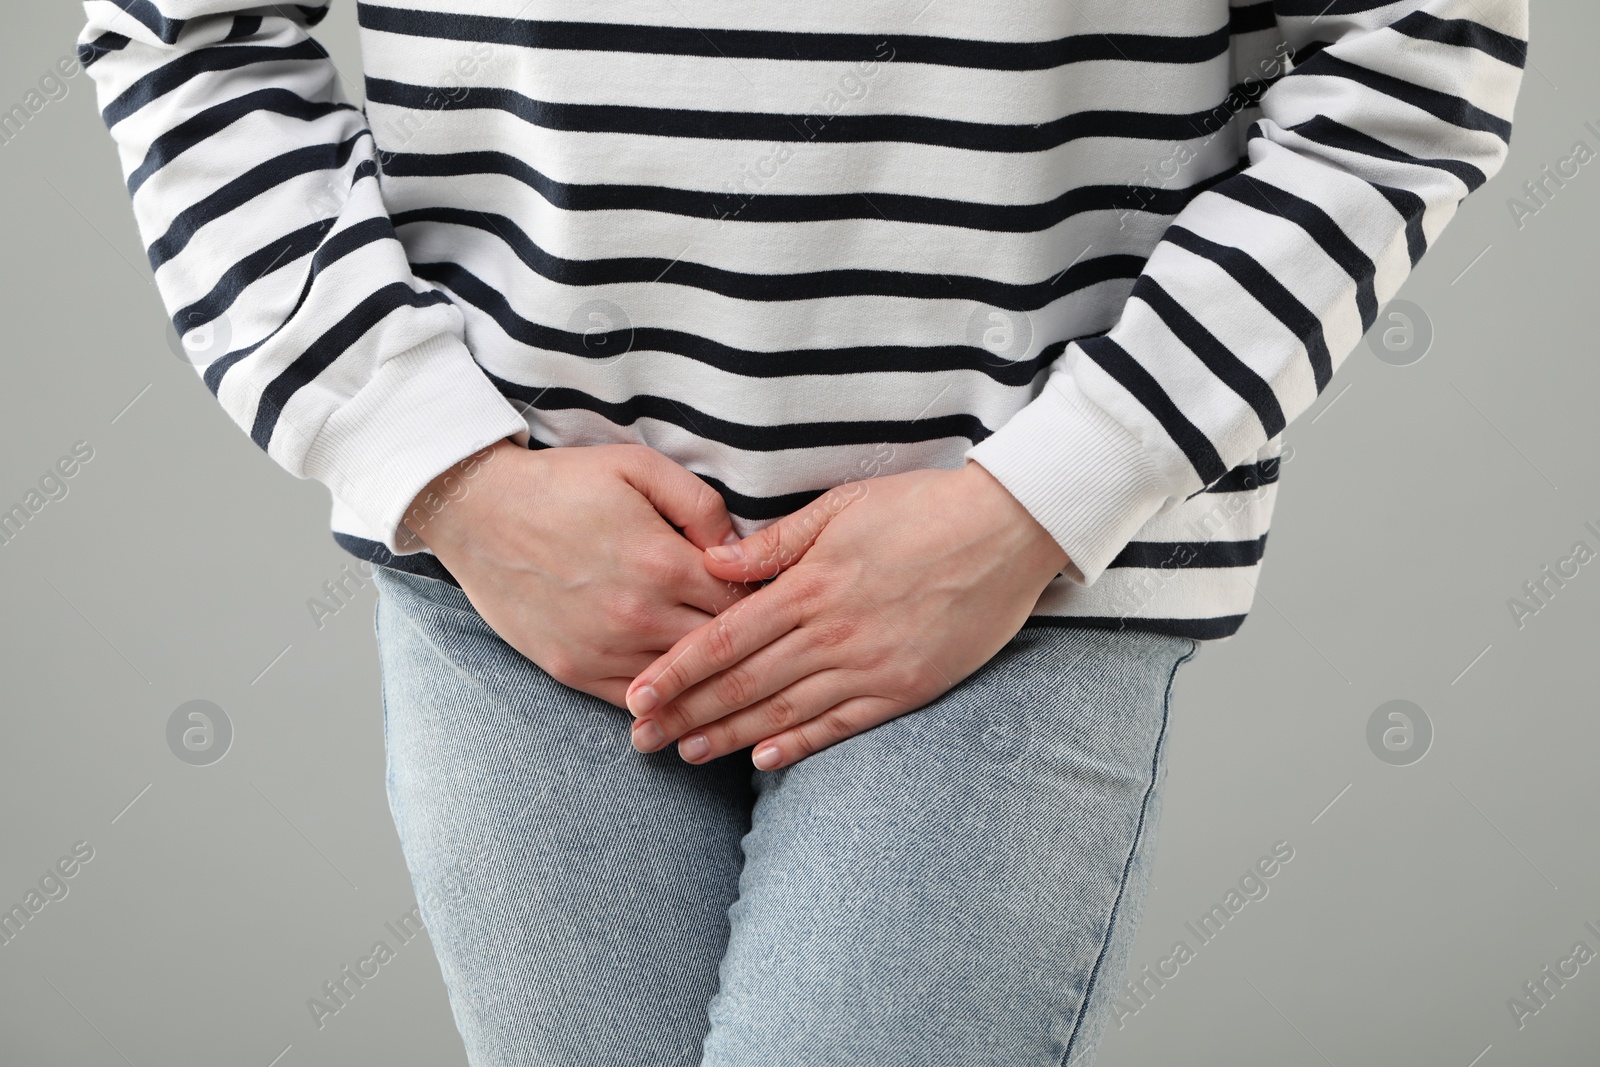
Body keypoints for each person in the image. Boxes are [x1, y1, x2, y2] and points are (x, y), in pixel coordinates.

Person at [78, 2, 1528, 1062]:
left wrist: (1047, 495)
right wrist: (450, 474)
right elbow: (173, 31)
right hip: (531, 577)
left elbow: (1420, 53)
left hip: (1002, 586)